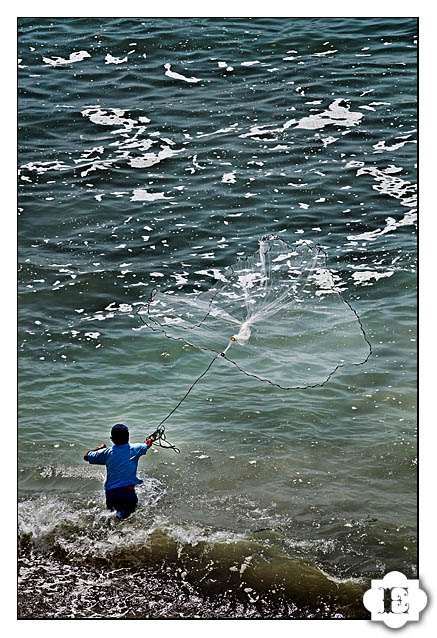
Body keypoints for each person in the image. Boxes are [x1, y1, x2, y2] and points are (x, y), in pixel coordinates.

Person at [84, 423, 156, 520]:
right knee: (130, 520)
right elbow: (147, 444)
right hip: (128, 492)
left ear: (112, 439)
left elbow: (86, 457)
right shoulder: (136, 448)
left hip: (111, 493)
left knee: (112, 519)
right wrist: (151, 439)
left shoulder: (106, 452)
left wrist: (99, 448)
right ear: (128, 437)